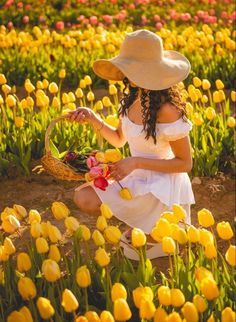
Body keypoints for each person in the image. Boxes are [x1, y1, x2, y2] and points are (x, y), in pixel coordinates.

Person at [67, 29, 195, 259]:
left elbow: (185, 163)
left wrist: (135, 162)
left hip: (162, 184)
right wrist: (92, 118)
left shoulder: (167, 110)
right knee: (84, 197)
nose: (127, 73)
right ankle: (143, 225)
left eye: (133, 67)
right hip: (134, 173)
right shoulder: (131, 97)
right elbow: (118, 138)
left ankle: (157, 228)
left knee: (146, 247)